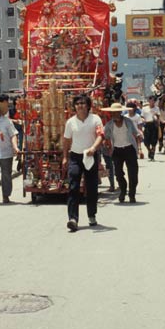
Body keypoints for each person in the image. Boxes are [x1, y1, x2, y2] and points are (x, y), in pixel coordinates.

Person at [62, 94, 104, 232]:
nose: (80, 105)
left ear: (88, 105)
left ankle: (92, 215)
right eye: (77, 103)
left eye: (82, 103)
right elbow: (66, 140)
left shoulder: (95, 119)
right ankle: (73, 219)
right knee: (73, 186)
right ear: (74, 106)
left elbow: (100, 136)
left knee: (91, 187)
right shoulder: (70, 122)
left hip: (90, 156)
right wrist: (65, 157)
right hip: (75, 156)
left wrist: (93, 148)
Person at [102, 102, 142, 203]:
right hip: (117, 151)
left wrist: (140, 148)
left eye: (116, 112)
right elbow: (105, 137)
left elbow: (136, 133)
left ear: (120, 112)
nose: (114, 114)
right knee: (119, 174)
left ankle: (132, 194)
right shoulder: (109, 125)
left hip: (130, 149)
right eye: (113, 113)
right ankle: (123, 191)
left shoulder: (128, 122)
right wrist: (107, 146)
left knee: (133, 174)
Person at [141, 95, 160, 161]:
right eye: (151, 100)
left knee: (154, 141)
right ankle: (149, 150)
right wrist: (143, 120)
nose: (152, 102)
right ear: (148, 101)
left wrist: (156, 118)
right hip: (147, 124)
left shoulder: (156, 108)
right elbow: (142, 117)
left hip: (154, 125)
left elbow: (158, 117)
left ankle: (152, 155)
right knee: (146, 141)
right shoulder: (144, 108)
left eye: (153, 101)